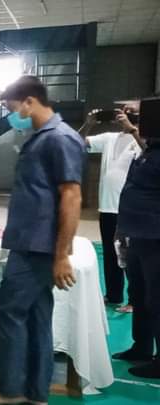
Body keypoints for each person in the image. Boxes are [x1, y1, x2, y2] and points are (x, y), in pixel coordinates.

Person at [0, 76, 86, 404]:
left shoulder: (59, 139)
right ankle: (36, 392)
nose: (13, 116)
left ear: (29, 102)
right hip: (31, 242)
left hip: (37, 247)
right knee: (37, 316)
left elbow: (72, 197)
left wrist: (62, 254)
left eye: (12, 108)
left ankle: (10, 389)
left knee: (7, 310)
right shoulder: (42, 138)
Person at [79, 103, 143, 311]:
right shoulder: (109, 138)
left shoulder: (142, 140)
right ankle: (114, 295)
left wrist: (133, 130)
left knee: (130, 256)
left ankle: (134, 300)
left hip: (127, 208)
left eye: (131, 111)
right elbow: (78, 142)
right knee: (110, 252)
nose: (124, 114)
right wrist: (88, 125)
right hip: (107, 207)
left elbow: (148, 152)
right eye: (122, 111)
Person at [116, 97, 160, 378]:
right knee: (140, 294)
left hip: (155, 238)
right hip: (137, 235)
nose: (137, 123)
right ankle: (141, 346)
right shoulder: (150, 150)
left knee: (157, 298)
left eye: (142, 119)